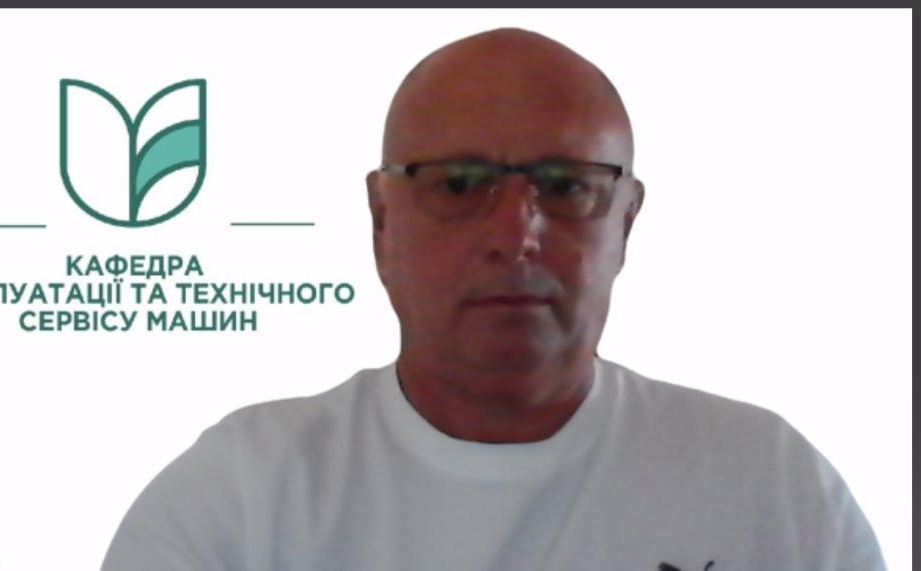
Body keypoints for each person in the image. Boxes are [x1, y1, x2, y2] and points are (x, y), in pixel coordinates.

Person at [102, 28, 886, 571]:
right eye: (458, 185)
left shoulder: (771, 489)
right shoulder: (242, 497)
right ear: (382, 222)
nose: (516, 236)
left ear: (625, 223)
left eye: (566, 187)